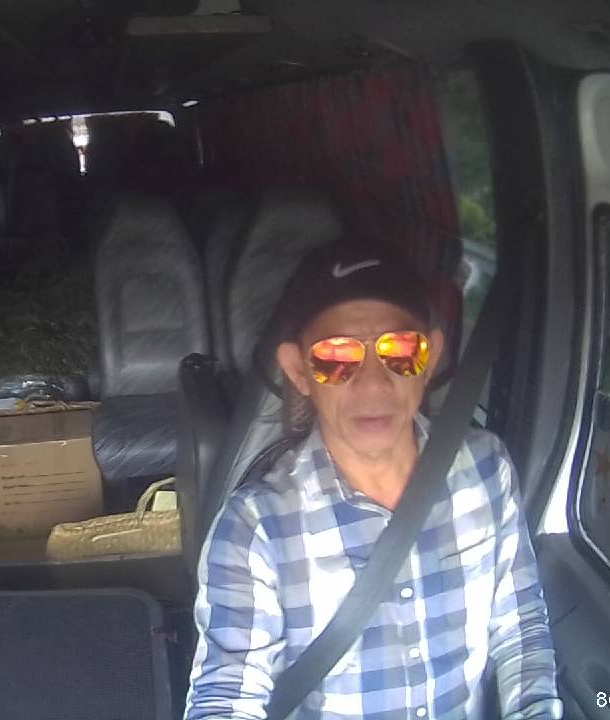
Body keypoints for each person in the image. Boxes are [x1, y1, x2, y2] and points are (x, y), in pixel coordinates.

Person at [184, 240, 562, 720]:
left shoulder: (487, 468)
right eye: (336, 357)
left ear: (431, 357)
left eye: (400, 350)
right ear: (298, 371)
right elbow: (227, 698)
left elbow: (520, 627)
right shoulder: (254, 528)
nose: (373, 382)